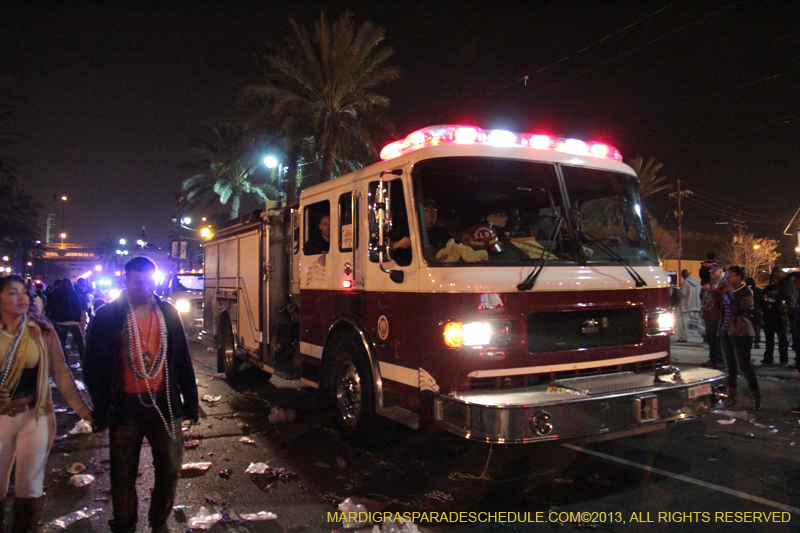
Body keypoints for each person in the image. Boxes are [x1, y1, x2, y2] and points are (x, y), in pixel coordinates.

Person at [84, 257, 199, 533]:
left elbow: (182, 360)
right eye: (138, 283)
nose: (145, 288)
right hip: (125, 407)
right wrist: (102, 407)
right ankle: (125, 524)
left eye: (150, 282)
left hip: (164, 405)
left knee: (170, 468)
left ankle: (158, 521)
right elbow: (92, 367)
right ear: (126, 281)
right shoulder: (108, 316)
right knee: (122, 474)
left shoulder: (168, 313)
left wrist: (191, 403)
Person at [0, 275, 93, 532]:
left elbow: (61, 372)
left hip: (34, 415)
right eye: (12, 293)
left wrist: (84, 411)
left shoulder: (40, 330)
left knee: (29, 486)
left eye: (24, 293)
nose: (21, 298)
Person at [719, 266, 761, 410]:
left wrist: (730, 293)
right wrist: (720, 329)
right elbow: (723, 311)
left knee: (744, 365)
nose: (727, 278)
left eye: (730, 275)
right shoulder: (727, 291)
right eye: (727, 275)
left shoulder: (746, 292)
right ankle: (732, 396)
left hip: (741, 332)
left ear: (739, 276)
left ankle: (756, 397)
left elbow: (737, 310)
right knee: (729, 365)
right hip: (726, 331)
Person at [47, 278, 85, 362]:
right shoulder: (74, 293)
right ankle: (84, 359)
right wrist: (78, 318)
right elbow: (78, 306)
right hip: (73, 320)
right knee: (80, 342)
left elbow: (52, 305)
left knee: (61, 344)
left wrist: (54, 317)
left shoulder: (56, 293)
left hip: (61, 321)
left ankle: (65, 362)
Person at [761, 267, 792, 366]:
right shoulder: (767, 289)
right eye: (774, 278)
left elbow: (787, 300)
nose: (775, 280)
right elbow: (761, 301)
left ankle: (784, 359)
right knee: (769, 340)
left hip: (780, 317)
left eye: (777, 277)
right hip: (769, 316)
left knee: (782, 340)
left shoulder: (784, 288)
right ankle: (768, 357)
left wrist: (778, 302)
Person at [700, 263, 725, 368]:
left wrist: (715, 290)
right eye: (710, 272)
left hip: (717, 315)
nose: (711, 274)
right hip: (709, 314)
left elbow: (723, 298)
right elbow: (703, 298)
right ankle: (713, 358)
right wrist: (703, 290)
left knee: (717, 339)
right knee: (710, 339)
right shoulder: (711, 283)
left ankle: (720, 360)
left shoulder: (723, 283)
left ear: (720, 271)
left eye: (714, 271)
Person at [674, 269, 705, 342]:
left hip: (686, 306)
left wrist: (678, 292)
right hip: (695, 305)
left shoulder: (686, 282)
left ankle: (682, 337)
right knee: (696, 322)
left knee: (681, 322)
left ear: (684, 275)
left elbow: (683, 293)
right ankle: (705, 334)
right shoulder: (697, 282)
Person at [745, 277, 763, 349]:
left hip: (747, 311)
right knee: (756, 327)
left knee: (748, 327)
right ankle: (757, 342)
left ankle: (749, 341)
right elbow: (761, 301)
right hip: (756, 310)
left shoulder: (745, 290)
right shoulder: (758, 290)